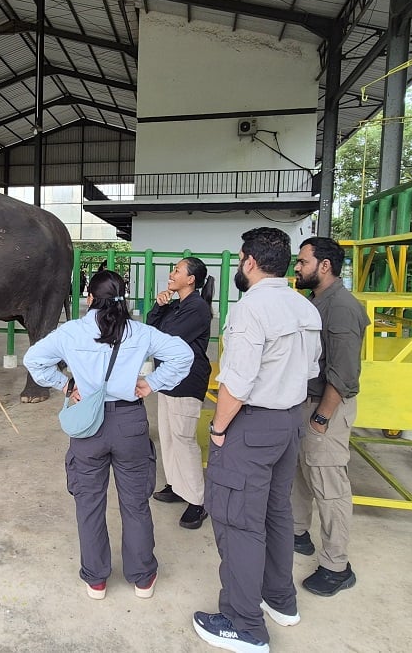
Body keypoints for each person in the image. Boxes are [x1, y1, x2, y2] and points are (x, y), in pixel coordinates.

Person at [24, 270, 193, 601]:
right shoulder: (141, 332)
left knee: (89, 503)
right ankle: (142, 578)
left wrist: (65, 384)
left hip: (89, 425)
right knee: (135, 504)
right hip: (129, 421)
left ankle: (97, 579)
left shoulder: (70, 332)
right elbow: (182, 355)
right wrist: (152, 384)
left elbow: (34, 359)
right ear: (124, 299)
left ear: (89, 299)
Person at [192, 227, 321, 653]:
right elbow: (310, 369)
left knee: (238, 521)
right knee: (275, 514)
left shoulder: (250, 309)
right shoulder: (304, 308)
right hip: (289, 422)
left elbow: (237, 384)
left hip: (252, 425)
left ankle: (243, 623)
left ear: (248, 261)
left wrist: (218, 429)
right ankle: (279, 600)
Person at [291, 237, 369, 597]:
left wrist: (321, 418)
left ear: (324, 265)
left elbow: (344, 373)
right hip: (311, 402)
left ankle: (337, 567)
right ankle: (298, 533)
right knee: (303, 473)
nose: (297, 267)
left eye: (303, 262)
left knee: (328, 484)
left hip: (327, 406)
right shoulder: (317, 300)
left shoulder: (341, 307)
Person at [146, 257, 215, 530]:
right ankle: (177, 486)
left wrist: (162, 318)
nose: (171, 275)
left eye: (177, 271)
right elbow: (152, 329)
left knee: (184, 441)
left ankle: (198, 501)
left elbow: (166, 339)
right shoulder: (177, 304)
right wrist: (158, 305)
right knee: (169, 437)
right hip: (168, 381)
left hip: (186, 383)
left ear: (191, 280)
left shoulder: (196, 308)